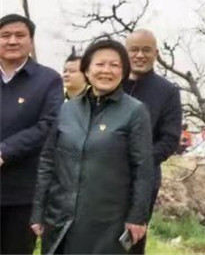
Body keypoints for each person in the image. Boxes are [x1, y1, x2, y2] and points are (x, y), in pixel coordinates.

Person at [30, 38, 154, 254]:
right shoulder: (67, 110)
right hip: (60, 218)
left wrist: (137, 216)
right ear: (86, 70)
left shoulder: (135, 112)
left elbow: (143, 169)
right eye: (99, 64)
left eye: (114, 65)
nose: (106, 70)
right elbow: (48, 162)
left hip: (107, 223)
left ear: (123, 71)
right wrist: (38, 211)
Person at [0, 14, 63, 255]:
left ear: (31, 41)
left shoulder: (48, 80)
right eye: (5, 35)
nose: (12, 41)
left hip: (24, 192)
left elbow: (49, 124)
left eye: (20, 35)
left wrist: (5, 151)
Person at [122, 29, 182, 254]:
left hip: (143, 179)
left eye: (146, 50)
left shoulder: (167, 91)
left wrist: (138, 162)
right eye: (134, 50)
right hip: (104, 177)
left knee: (131, 242)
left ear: (156, 53)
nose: (139, 55)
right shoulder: (111, 84)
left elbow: (169, 140)